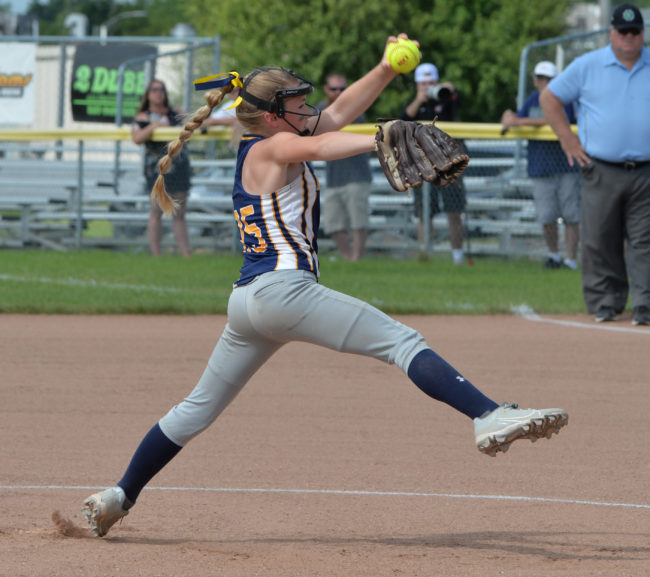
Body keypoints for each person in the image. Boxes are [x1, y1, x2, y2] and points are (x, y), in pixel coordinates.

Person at [82, 34, 568, 538]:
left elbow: (330, 120)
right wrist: (382, 136)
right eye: (297, 103)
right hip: (284, 291)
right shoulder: (276, 146)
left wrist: (385, 69)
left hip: (247, 302)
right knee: (402, 343)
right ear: (273, 116)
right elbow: (321, 143)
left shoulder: (263, 142)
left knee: (194, 410)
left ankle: (119, 494)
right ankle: (486, 414)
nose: (309, 107)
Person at [539, 3, 650, 325]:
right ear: (611, 33)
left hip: (646, 169)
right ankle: (606, 302)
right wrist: (567, 139)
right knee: (601, 238)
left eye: (635, 31)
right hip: (601, 166)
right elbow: (550, 98)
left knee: (646, 241)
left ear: (642, 33)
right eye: (622, 31)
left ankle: (645, 305)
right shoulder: (589, 65)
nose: (629, 37)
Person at [500, 61, 581, 270]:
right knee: (547, 216)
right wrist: (509, 117)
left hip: (568, 164)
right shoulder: (533, 99)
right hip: (540, 166)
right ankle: (554, 256)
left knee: (571, 214)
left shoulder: (566, 99)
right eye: (540, 78)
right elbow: (518, 117)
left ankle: (571, 260)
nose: (543, 82)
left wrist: (518, 122)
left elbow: (552, 119)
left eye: (548, 79)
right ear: (535, 81)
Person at [401, 62, 466, 265]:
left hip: (449, 161)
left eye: (431, 83)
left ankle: (458, 256)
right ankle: (424, 254)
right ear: (417, 85)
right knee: (424, 213)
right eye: (424, 83)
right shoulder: (414, 103)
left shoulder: (445, 98)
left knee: (454, 210)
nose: (428, 87)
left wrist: (447, 89)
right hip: (422, 164)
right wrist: (420, 99)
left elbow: (458, 99)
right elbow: (403, 119)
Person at [315, 72, 373, 261]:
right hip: (334, 177)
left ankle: (356, 259)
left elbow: (338, 117)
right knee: (334, 223)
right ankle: (347, 258)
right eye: (334, 89)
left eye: (343, 89)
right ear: (326, 89)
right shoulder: (319, 110)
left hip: (357, 175)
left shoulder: (353, 109)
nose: (339, 92)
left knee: (358, 221)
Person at [132, 79, 191, 257]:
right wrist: (154, 126)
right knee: (156, 211)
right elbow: (137, 138)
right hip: (157, 169)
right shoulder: (143, 117)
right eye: (155, 89)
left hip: (179, 166)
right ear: (148, 94)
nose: (159, 93)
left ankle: (185, 255)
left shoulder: (175, 113)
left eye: (162, 89)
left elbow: (191, 128)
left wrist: (184, 118)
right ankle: (156, 255)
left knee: (179, 212)